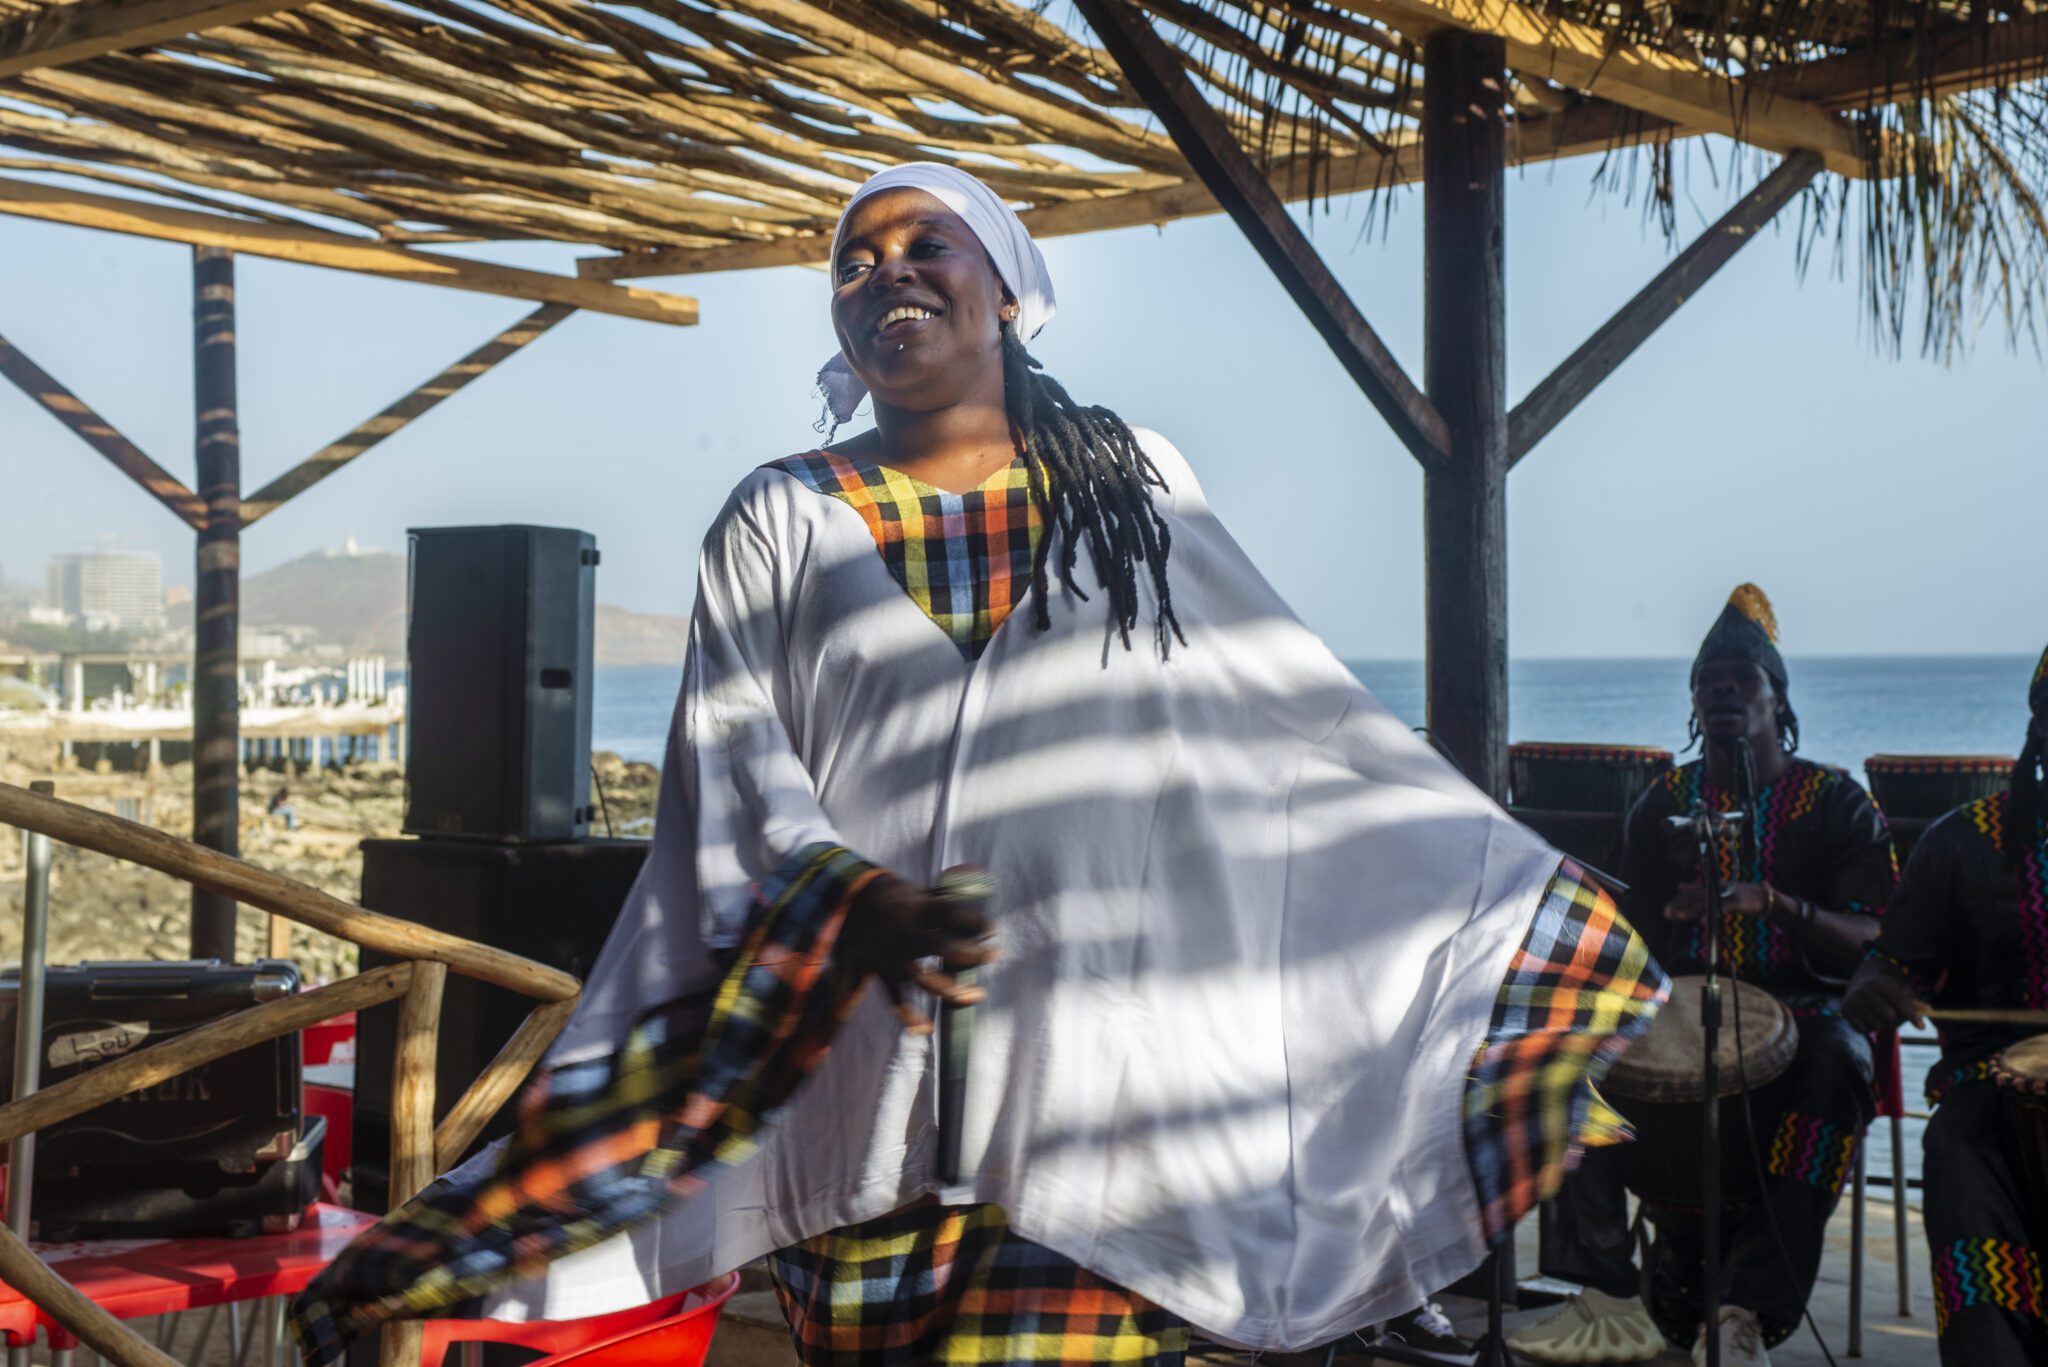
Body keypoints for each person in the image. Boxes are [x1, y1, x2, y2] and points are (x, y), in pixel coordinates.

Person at [289, 164, 1667, 1367]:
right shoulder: (777, 518)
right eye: (855, 257)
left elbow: (1286, 719)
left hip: (1105, 1105)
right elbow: (735, 766)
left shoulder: (1128, 483)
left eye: (924, 244)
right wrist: (847, 893)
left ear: (1008, 289)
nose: (884, 271)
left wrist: (1518, 901)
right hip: (861, 1105)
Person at [1513, 586, 1896, 1366]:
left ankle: (1745, 1309)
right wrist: (1656, 936)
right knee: (1562, 1054)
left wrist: (1776, 905)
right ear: (1693, 702)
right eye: (1707, 680)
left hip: (1805, 1015)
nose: (1721, 690)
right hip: (1681, 1014)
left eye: (1740, 679)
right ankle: (1604, 1294)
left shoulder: (1837, 803)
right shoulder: (1665, 803)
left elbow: (1874, 936)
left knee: (1842, 1062)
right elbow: (1624, 941)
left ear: (1776, 700)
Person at [1843, 643, 2048, 1365]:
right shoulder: (1960, 842)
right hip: (1984, 1090)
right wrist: (1877, 985)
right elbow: (1890, 961)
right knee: (1957, 1153)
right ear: (2039, 730)